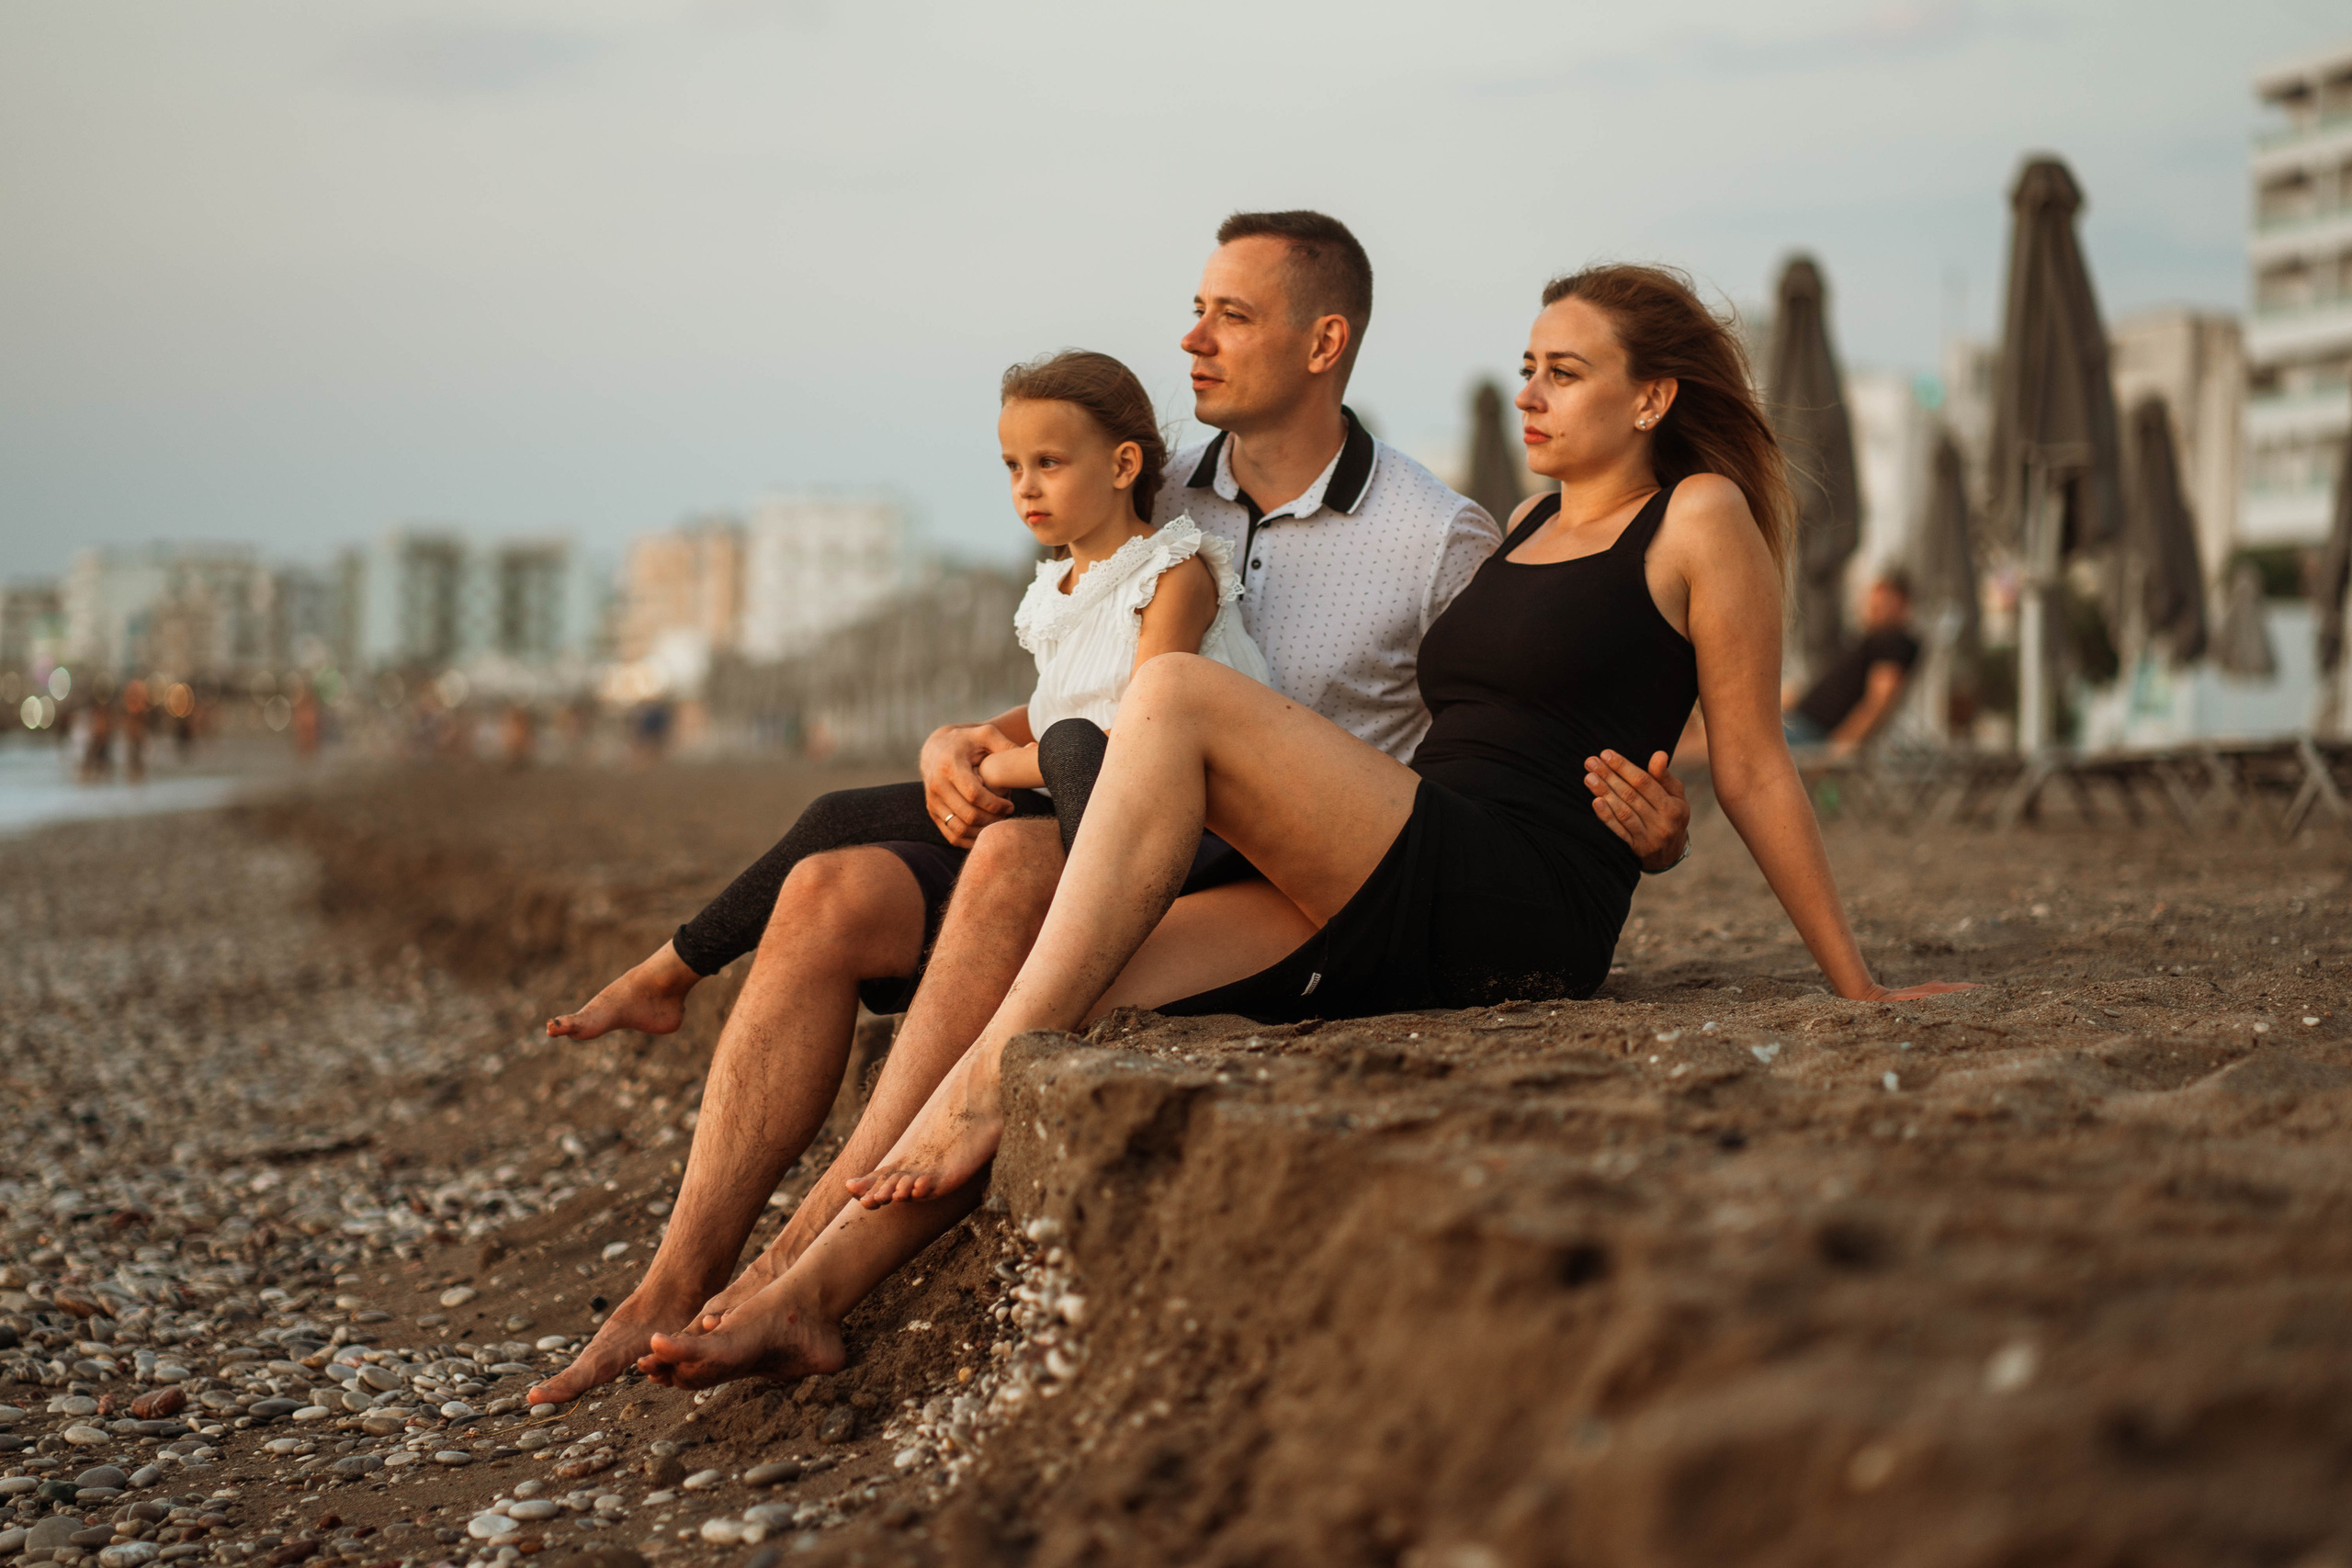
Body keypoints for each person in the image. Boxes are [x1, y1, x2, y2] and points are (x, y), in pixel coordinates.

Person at [628, 263, 1973, 1390]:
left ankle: (961, 1101)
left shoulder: (1703, 516)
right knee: (1073, 988)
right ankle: (813, 1291)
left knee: (1176, 698)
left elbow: (1752, 761)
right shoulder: (1526, 518)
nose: (1531, 392)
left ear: (1654, 394)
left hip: (1514, 895)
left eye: (1565, 370)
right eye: (1527, 364)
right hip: (1405, 855)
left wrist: (1849, 979)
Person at [1782, 573, 1919, 756]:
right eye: (1873, 598)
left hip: (1812, 735)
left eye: (1883, 601)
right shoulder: (1866, 641)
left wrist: (1840, 746)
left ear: (1902, 605)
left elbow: (1879, 700)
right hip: (1799, 722)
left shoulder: (1894, 643)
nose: (1873, 606)